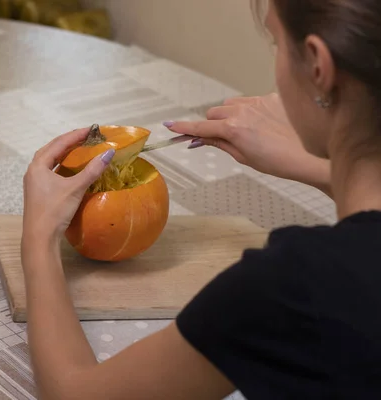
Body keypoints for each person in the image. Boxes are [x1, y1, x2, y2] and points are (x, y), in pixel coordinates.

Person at [21, 0, 381, 398]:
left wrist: (38, 236)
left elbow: (74, 394)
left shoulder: (293, 287)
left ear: (318, 68)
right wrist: (330, 169)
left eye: (276, 42)